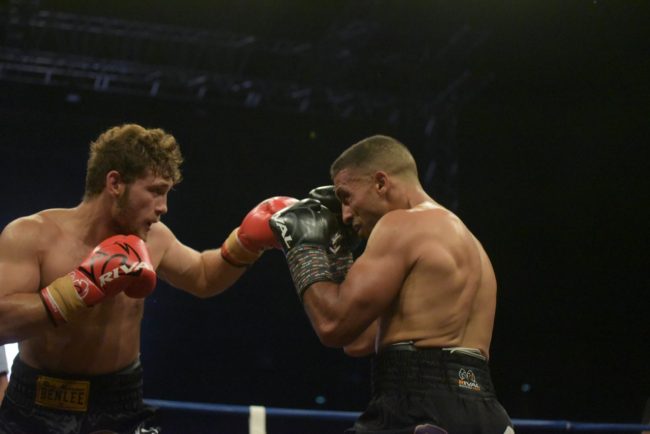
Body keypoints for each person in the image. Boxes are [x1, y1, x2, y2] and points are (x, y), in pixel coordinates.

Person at [0, 123, 296, 434]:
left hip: (119, 406)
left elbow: (204, 276)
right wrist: (78, 289)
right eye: (155, 191)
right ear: (115, 183)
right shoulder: (33, 235)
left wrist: (246, 243)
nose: (163, 207)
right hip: (36, 403)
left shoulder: (154, 239)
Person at [270, 135, 514, 434]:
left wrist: (303, 248)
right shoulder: (471, 245)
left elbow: (333, 325)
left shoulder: (400, 224)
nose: (345, 215)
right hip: (486, 411)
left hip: (417, 408)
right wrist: (340, 256)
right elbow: (356, 340)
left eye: (346, 197)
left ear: (381, 183)